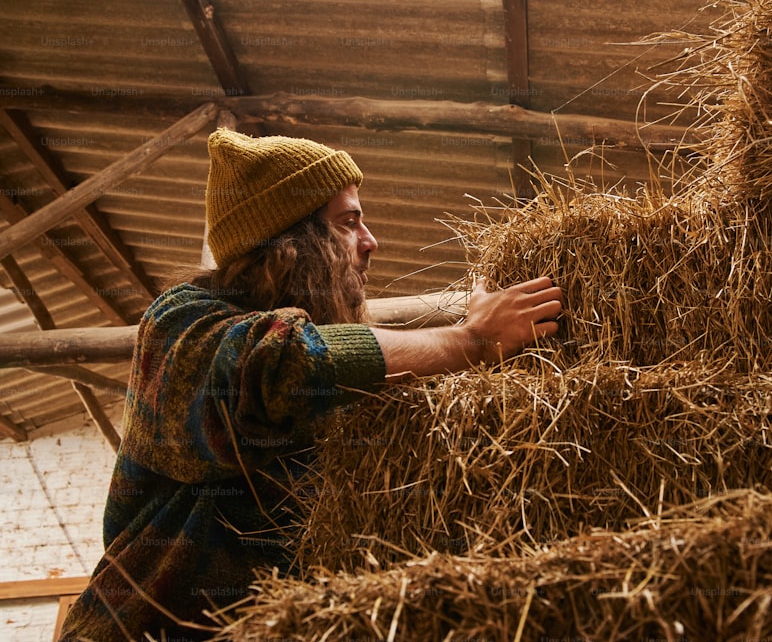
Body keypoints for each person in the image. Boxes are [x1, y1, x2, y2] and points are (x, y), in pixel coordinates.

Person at [57, 128, 563, 641]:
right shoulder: (181, 324)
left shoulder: (334, 395)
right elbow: (278, 365)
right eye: (348, 223)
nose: (372, 242)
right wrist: (471, 341)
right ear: (291, 244)